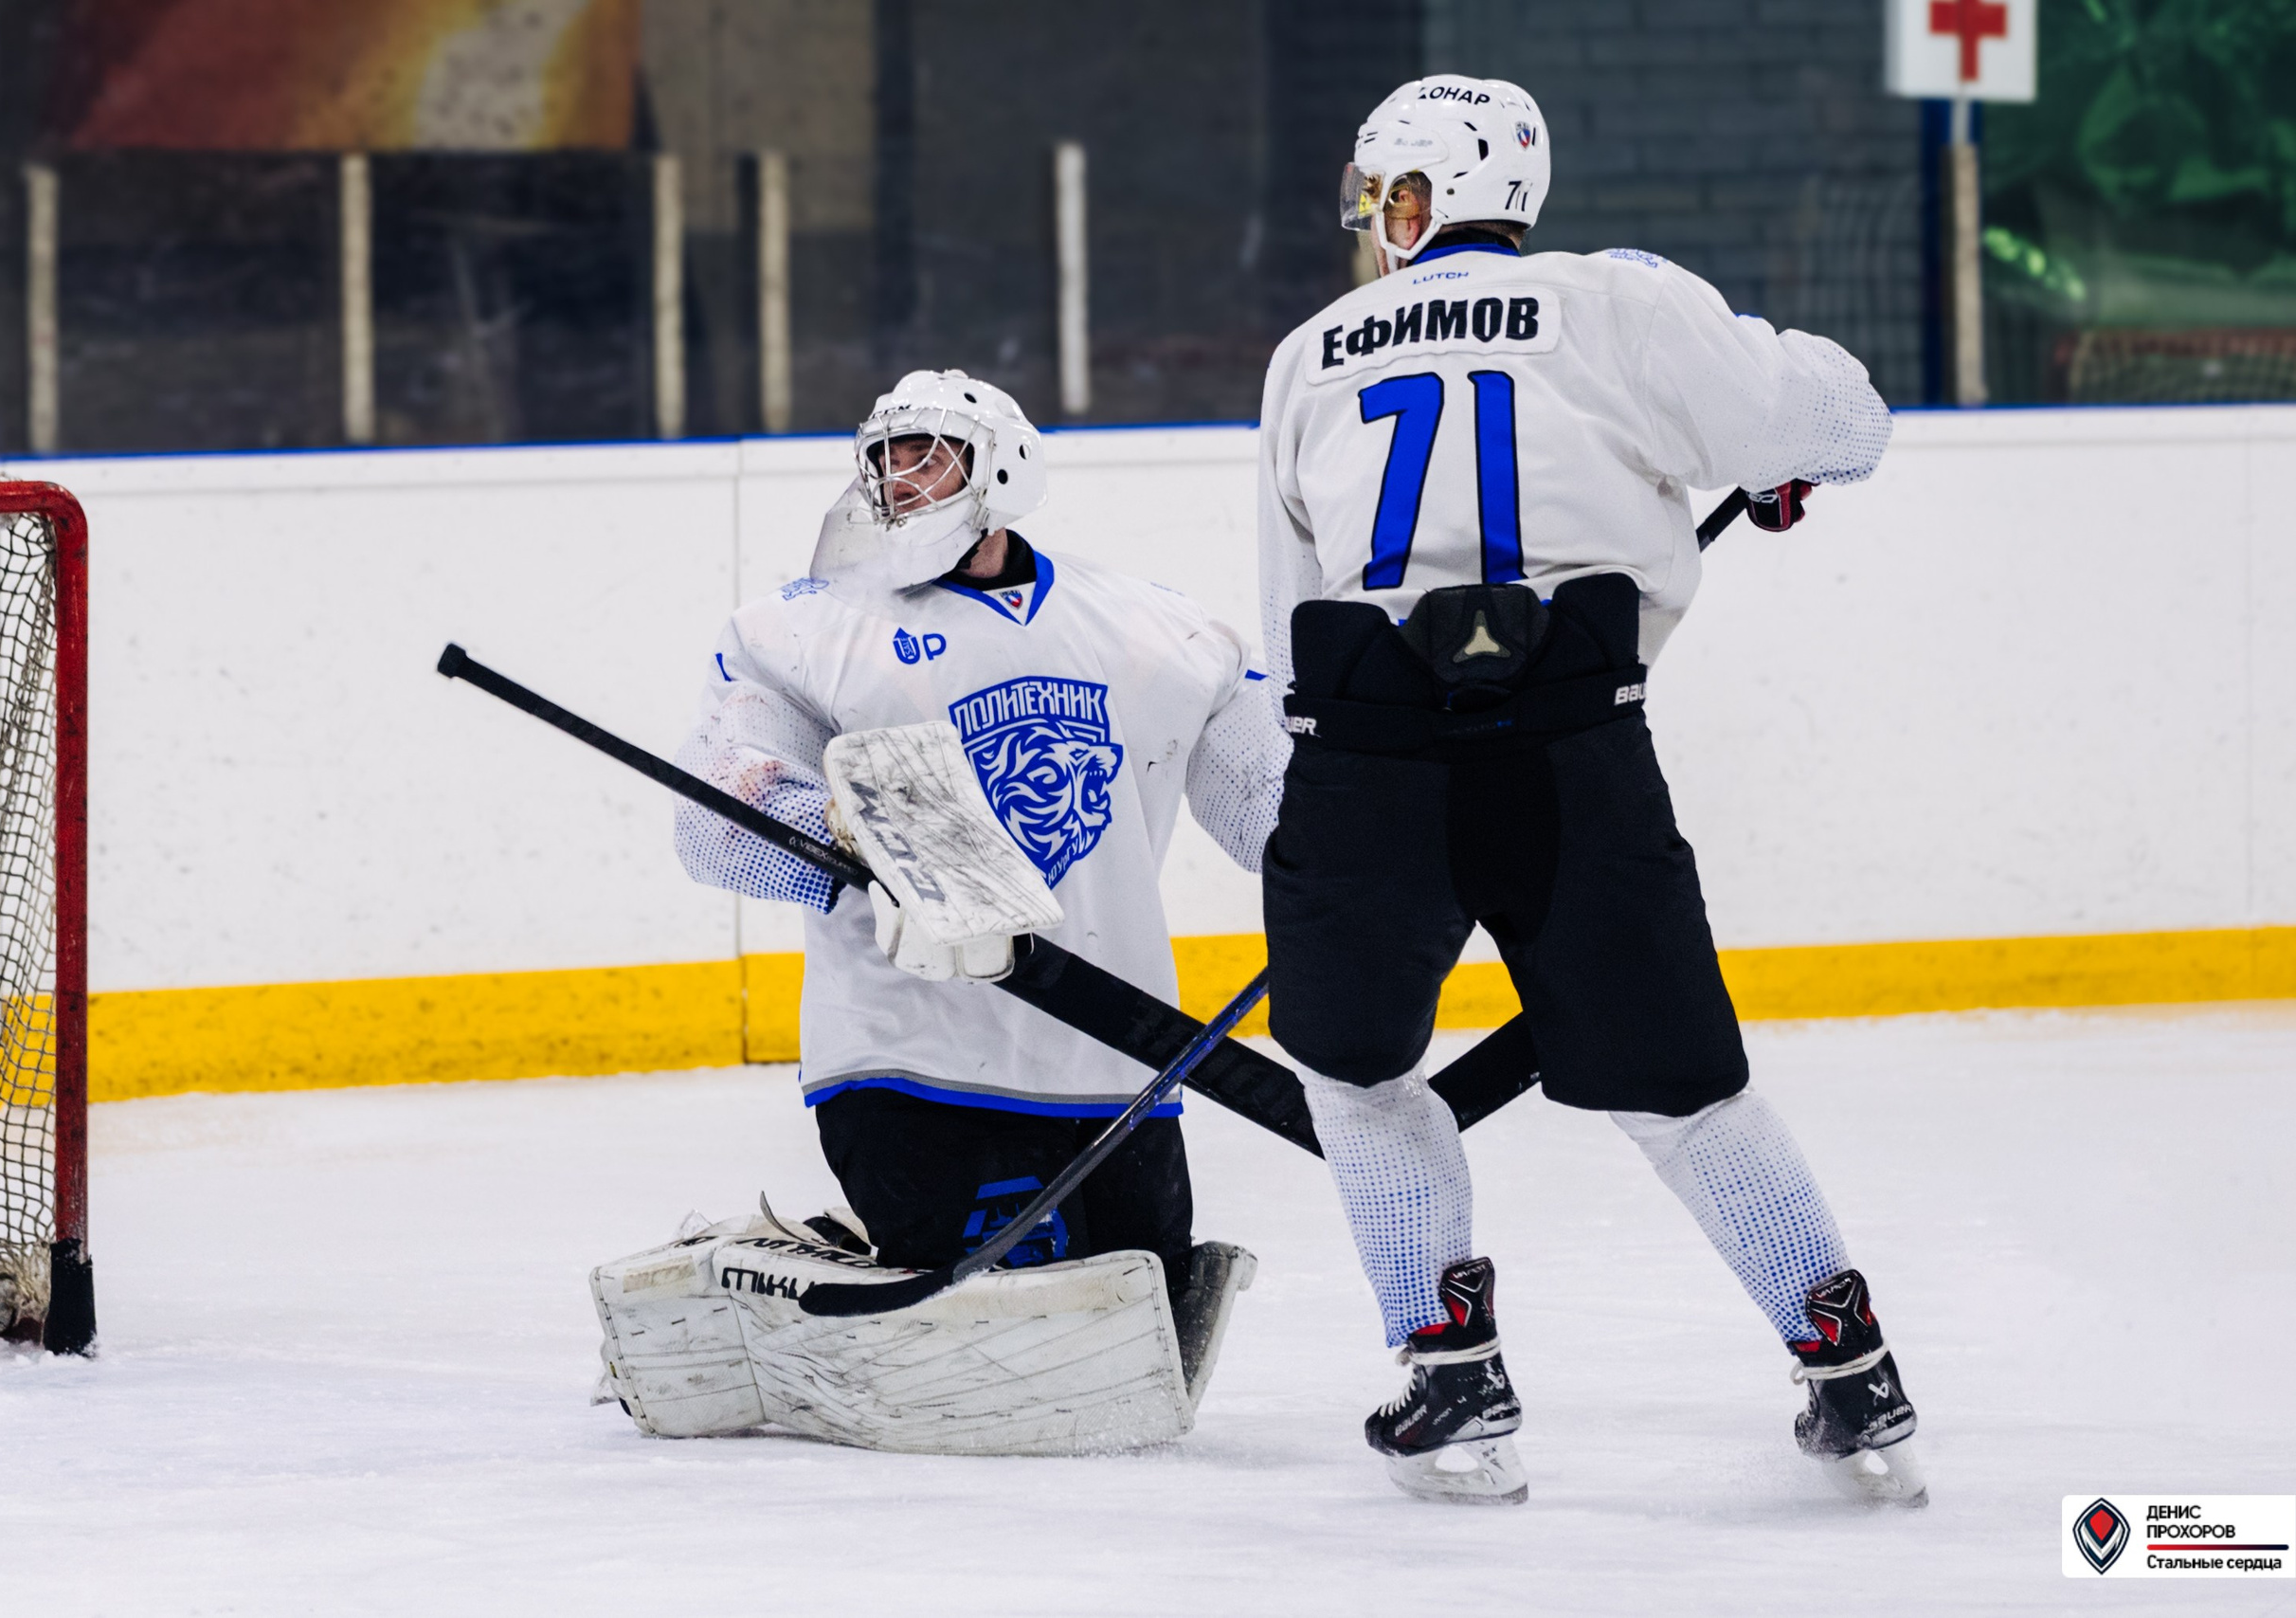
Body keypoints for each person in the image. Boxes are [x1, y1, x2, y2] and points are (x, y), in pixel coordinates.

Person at [1253, 76, 1923, 1505]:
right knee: (1684, 1086)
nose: (1374, 219)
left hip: (1368, 763)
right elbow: (1842, 423)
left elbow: (1290, 610)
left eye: (1386, 192)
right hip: (1572, 748)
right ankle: (1848, 1364)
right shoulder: (1620, 300)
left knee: (1355, 1075)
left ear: (1427, 194)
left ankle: (1450, 1371)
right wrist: (1783, 446)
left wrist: (1309, 825)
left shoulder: (1308, 352)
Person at [673, 368, 1283, 1318]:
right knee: (989, 1317)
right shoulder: (803, 628)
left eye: (929, 456)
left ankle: (831, 1247)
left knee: (1142, 1311)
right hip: (910, 1057)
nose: (898, 478)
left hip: (1114, 1059)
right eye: (885, 459)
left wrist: (1368, 853)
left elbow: (1270, 809)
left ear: (1004, 469)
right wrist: (851, 838)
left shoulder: (1158, 630)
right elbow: (713, 822)